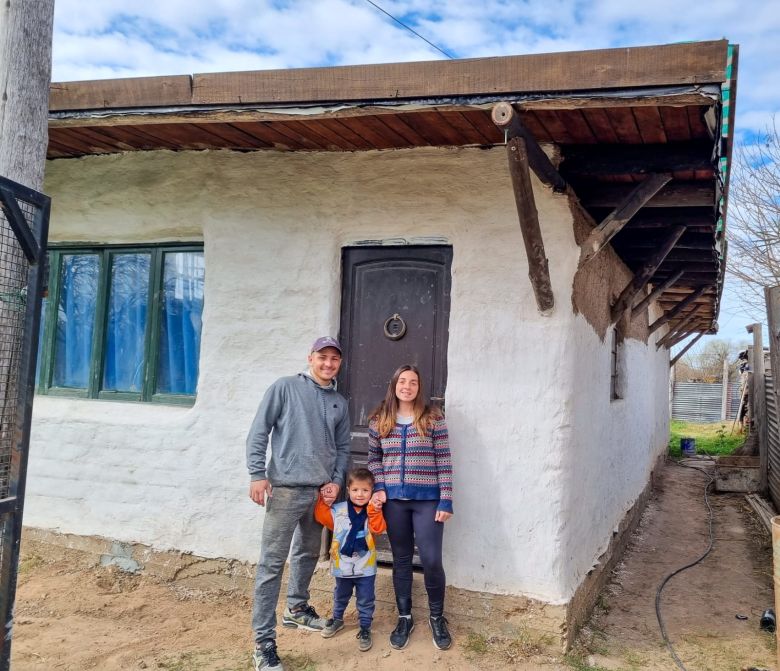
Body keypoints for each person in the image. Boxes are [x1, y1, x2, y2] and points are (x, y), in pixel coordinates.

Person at [246, 337, 351, 671]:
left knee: (307, 554)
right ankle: (263, 643)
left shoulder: (339, 402)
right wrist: (256, 473)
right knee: (271, 565)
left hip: (319, 493)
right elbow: (259, 430)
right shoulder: (285, 388)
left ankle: (297, 609)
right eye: (323, 357)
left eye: (334, 359)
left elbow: (344, 447)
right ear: (310, 358)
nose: (328, 363)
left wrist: (335, 481)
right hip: (285, 490)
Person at [367, 364, 454, 651]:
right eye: (402, 381)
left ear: (419, 387)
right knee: (401, 560)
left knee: (431, 560)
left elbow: (444, 459)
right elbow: (373, 460)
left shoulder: (432, 418)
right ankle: (405, 617)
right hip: (393, 502)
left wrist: (446, 499)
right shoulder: (379, 420)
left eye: (413, 382)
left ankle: (436, 617)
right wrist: (379, 488)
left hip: (428, 501)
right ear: (394, 385)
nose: (407, 386)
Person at [315, 467, 387, 652]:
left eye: (365, 490)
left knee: (366, 598)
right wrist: (323, 500)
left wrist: (374, 511)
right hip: (343, 564)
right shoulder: (338, 511)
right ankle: (337, 619)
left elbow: (378, 529)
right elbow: (321, 516)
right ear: (348, 490)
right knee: (340, 595)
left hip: (366, 566)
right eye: (355, 490)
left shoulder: (373, 511)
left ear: (372, 491)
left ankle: (365, 627)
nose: (360, 494)